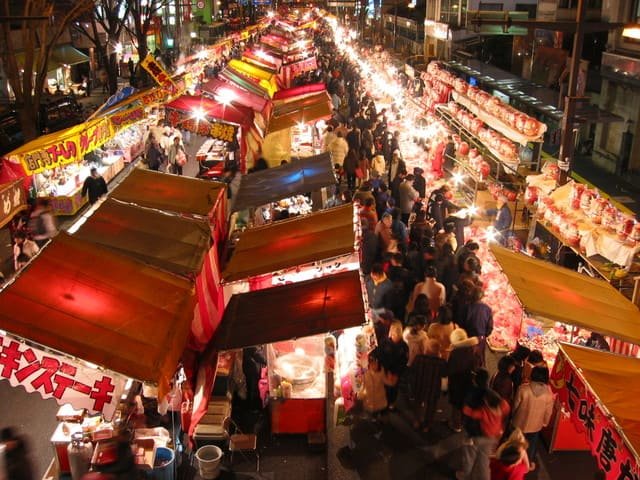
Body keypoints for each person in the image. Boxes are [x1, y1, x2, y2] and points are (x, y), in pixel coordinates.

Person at [511, 366, 555, 470]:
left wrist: (512, 416)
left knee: (515, 443)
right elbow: (548, 412)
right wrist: (545, 422)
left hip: (519, 422)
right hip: (536, 425)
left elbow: (515, 406)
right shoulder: (549, 395)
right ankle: (527, 465)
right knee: (531, 446)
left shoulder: (523, 389)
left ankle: (512, 462)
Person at [447, 328, 480, 432]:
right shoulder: (472, 349)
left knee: (456, 404)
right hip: (468, 382)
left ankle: (456, 425)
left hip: (456, 382)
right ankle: (460, 422)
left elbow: (450, 369)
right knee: (462, 403)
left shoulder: (455, 353)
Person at [359, 348, 388, 415]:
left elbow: (385, 380)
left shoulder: (381, 371)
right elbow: (362, 384)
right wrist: (361, 394)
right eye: (372, 363)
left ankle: (379, 417)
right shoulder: (365, 372)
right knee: (371, 412)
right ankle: (374, 418)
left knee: (379, 410)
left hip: (379, 398)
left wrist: (391, 382)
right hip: (369, 398)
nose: (374, 365)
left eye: (376, 363)